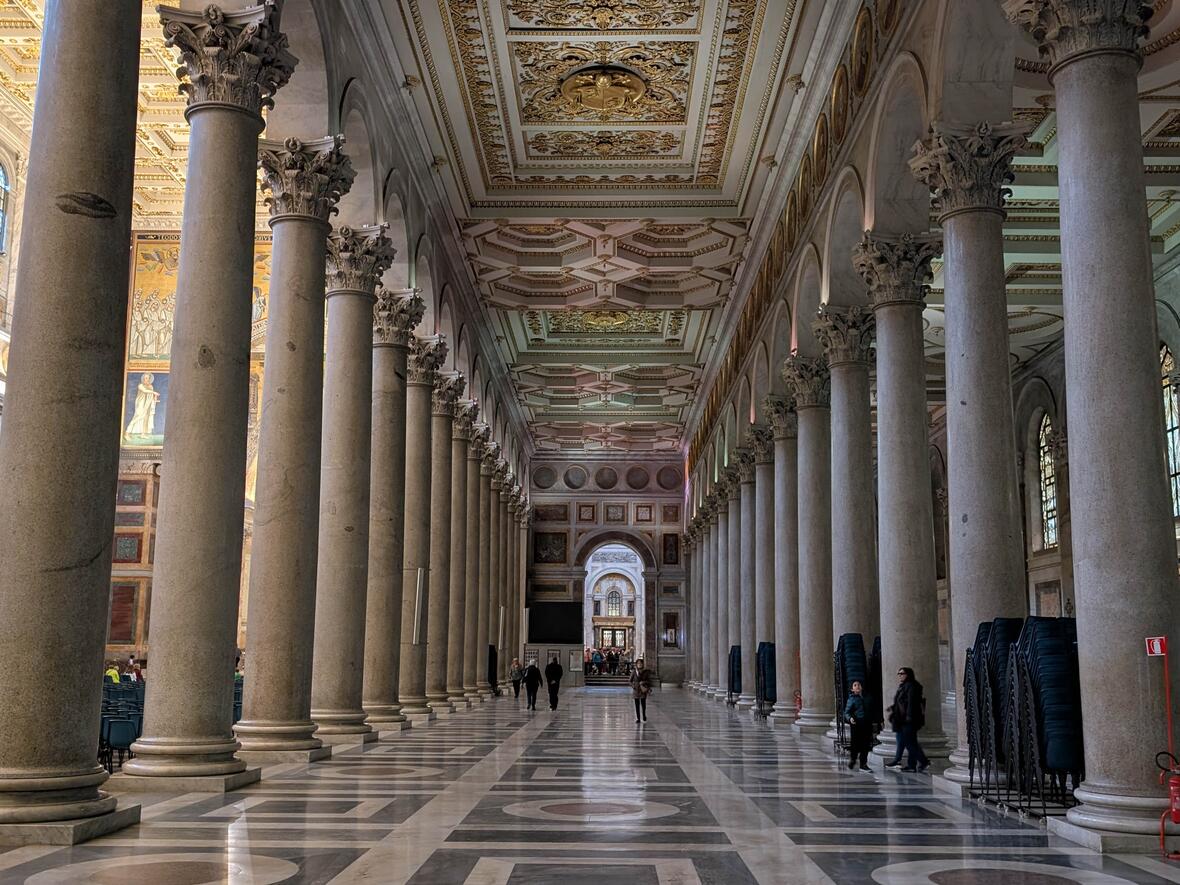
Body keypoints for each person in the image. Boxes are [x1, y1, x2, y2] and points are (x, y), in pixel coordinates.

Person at [884, 667, 930, 772]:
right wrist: (892, 708)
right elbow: (901, 702)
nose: (900, 675)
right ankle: (911, 765)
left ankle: (923, 761)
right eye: (899, 674)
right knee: (909, 742)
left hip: (908, 720)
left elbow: (911, 703)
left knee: (910, 743)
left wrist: (909, 717)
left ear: (908, 674)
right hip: (902, 719)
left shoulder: (912, 686)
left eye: (902, 673)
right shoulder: (904, 686)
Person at [844, 679, 872, 771]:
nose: (857, 686)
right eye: (855, 685)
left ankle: (863, 764)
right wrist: (850, 718)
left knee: (866, 744)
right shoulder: (851, 699)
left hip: (866, 723)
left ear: (862, 687)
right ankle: (853, 759)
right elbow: (846, 712)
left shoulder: (867, 697)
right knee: (855, 744)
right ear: (852, 689)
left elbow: (872, 709)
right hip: (856, 723)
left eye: (859, 684)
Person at [630, 657, 652, 722]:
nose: (639, 664)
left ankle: (644, 715)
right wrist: (633, 686)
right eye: (638, 663)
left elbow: (649, 681)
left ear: (642, 664)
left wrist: (644, 682)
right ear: (636, 664)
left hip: (643, 690)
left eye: (640, 663)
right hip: (636, 690)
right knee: (637, 705)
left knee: (643, 704)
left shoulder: (646, 672)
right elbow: (630, 681)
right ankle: (638, 718)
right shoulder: (634, 672)